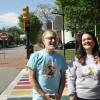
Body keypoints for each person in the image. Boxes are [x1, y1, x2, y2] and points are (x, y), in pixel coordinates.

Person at [26, 30, 68, 100]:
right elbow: (31, 78)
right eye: (50, 38)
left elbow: (63, 79)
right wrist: (43, 95)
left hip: (55, 97)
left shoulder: (61, 58)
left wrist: (59, 95)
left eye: (55, 38)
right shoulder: (35, 56)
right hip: (39, 97)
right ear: (43, 40)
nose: (53, 40)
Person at [67, 32, 100, 100]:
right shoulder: (76, 59)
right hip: (80, 97)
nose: (86, 41)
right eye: (84, 40)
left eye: (89, 39)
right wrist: (72, 94)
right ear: (81, 43)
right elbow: (71, 77)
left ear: (94, 41)